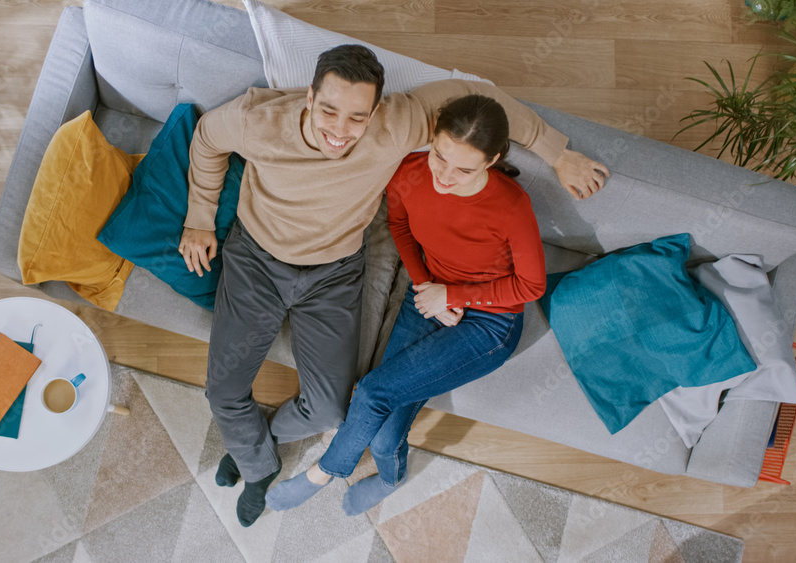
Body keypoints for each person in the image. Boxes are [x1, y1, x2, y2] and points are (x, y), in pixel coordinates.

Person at [178, 45, 609, 527]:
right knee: (225, 388)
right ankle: (259, 467)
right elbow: (206, 139)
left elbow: (483, 98)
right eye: (329, 110)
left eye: (357, 116)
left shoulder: (402, 125)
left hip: (335, 274)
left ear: (378, 111)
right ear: (309, 95)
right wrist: (198, 218)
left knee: (331, 408)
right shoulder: (256, 118)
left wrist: (559, 154)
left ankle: (272, 448)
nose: (340, 131)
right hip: (257, 258)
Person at [263, 94, 547, 516]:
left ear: (493, 159)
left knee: (374, 391)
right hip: (429, 295)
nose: (446, 176)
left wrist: (454, 296)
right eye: (440, 156)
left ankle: (322, 473)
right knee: (382, 436)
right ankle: (393, 478)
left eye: (465, 168)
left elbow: (531, 285)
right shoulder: (408, 174)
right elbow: (399, 225)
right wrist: (425, 285)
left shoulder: (511, 206)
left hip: (489, 323)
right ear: (432, 138)